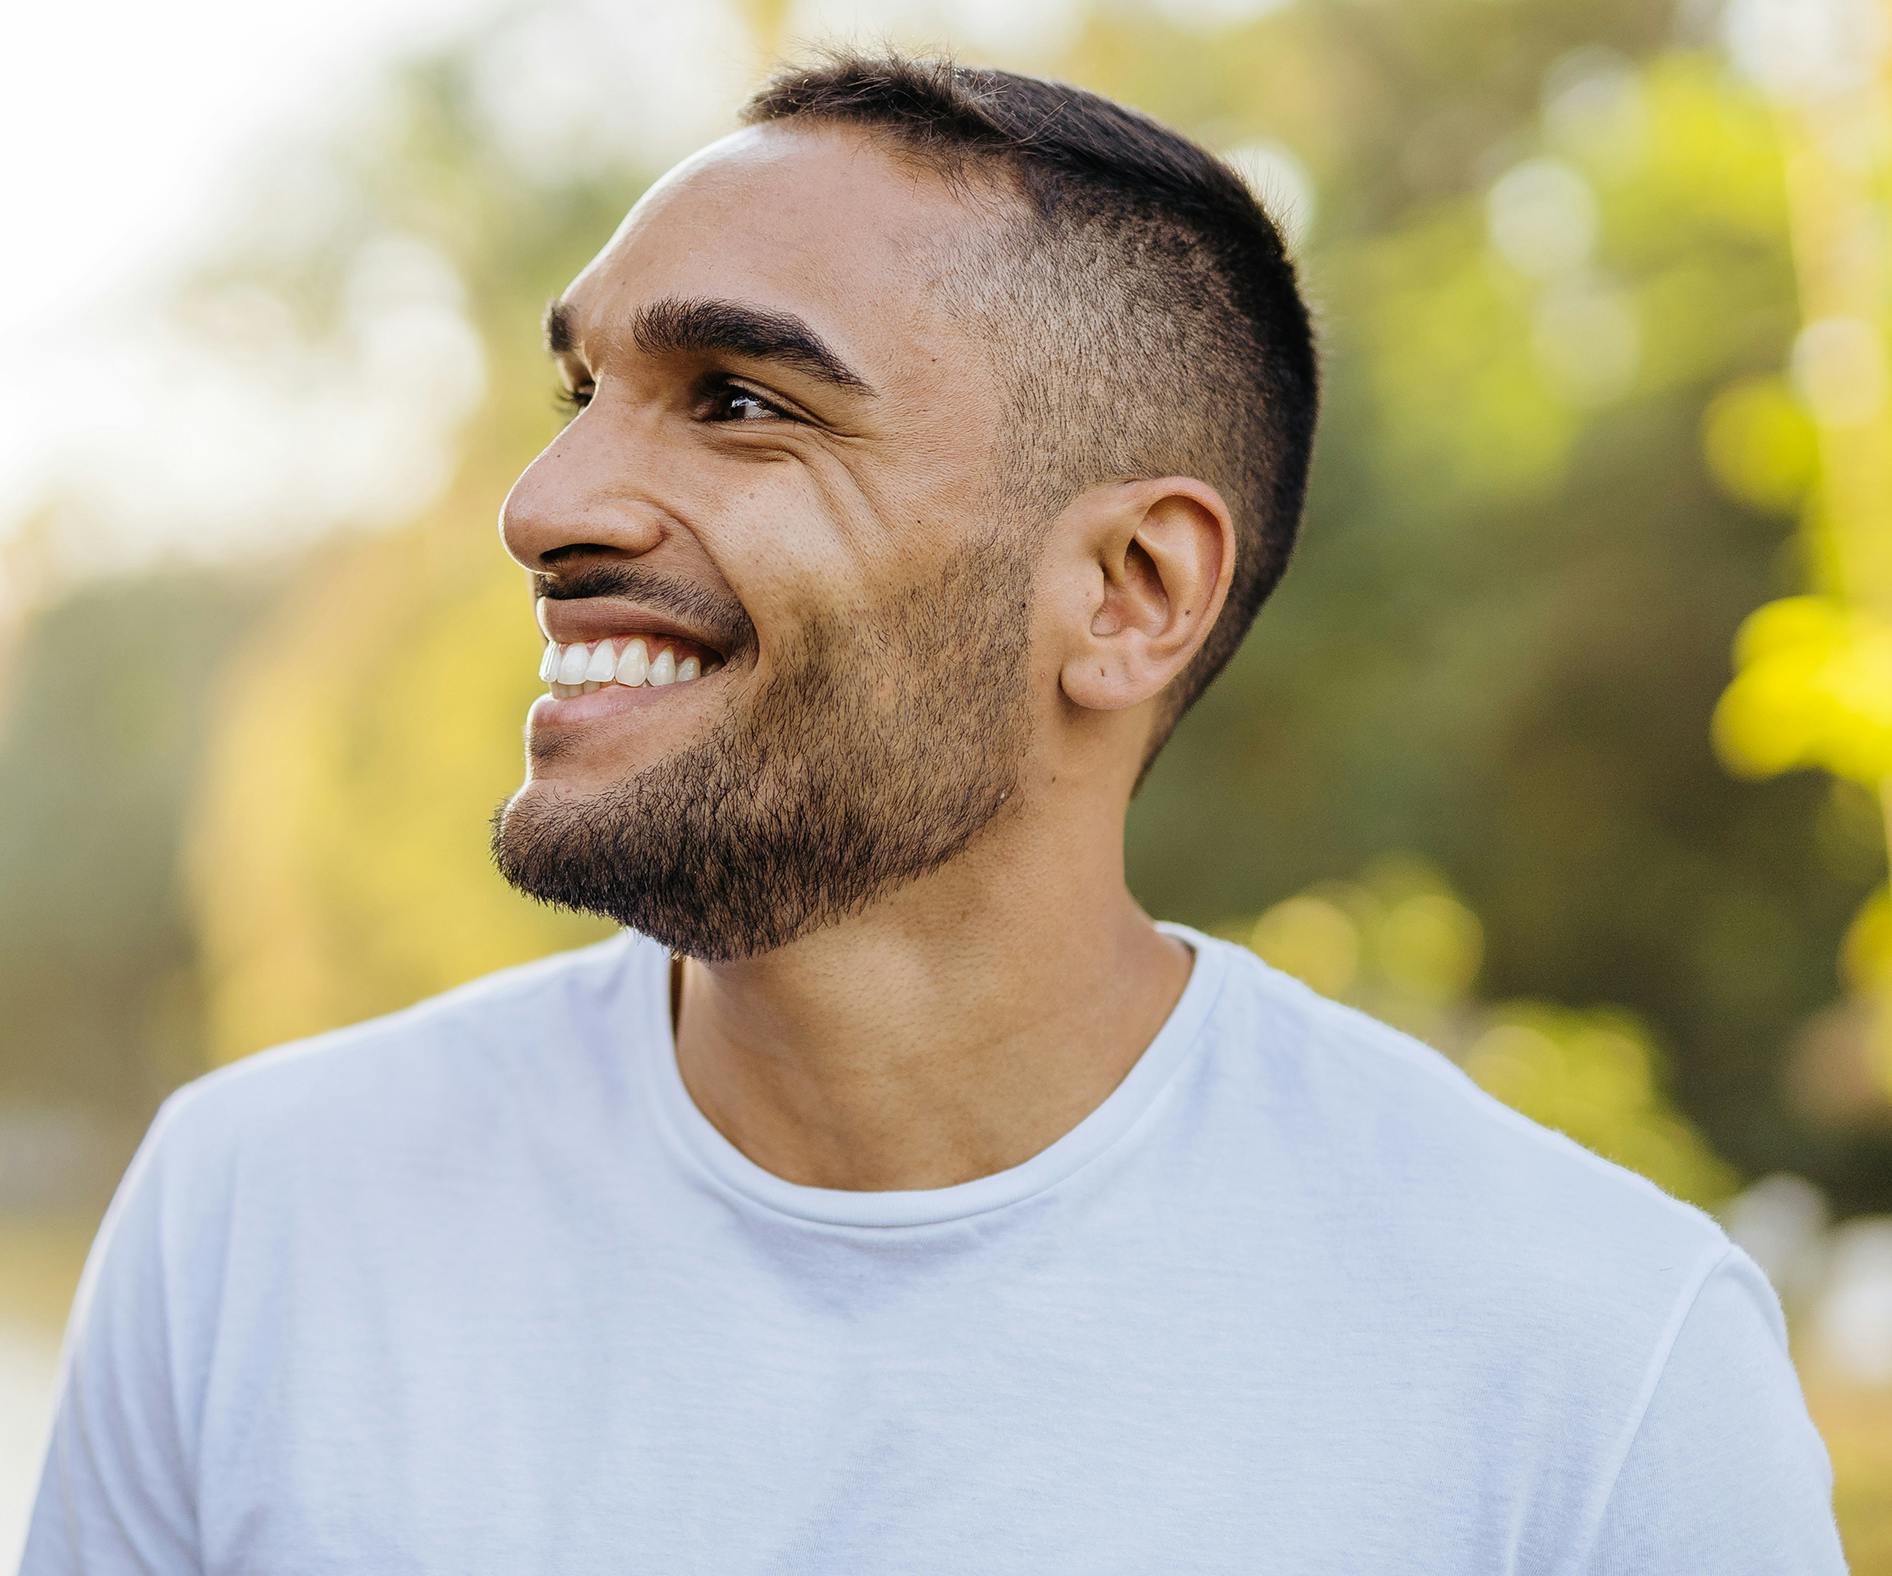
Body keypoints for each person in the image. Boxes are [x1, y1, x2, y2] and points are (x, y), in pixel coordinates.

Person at [21, 48, 1846, 1576]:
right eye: (585, 390)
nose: (546, 500)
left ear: (1131, 590)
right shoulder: (254, 1220)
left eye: (738, 402)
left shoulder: (1592, 1370)